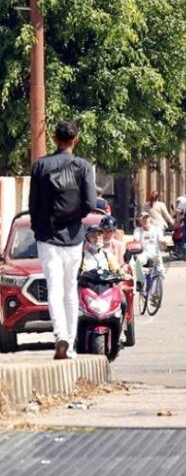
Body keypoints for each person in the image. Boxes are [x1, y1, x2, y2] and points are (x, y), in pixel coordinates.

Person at [29, 120, 96, 360]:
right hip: (74, 239)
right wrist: (73, 220)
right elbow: (89, 203)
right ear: (75, 140)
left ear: (54, 139)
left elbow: (33, 205)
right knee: (70, 289)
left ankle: (60, 337)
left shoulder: (40, 166)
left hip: (48, 238)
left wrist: (40, 229)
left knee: (54, 289)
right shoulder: (84, 167)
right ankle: (72, 342)